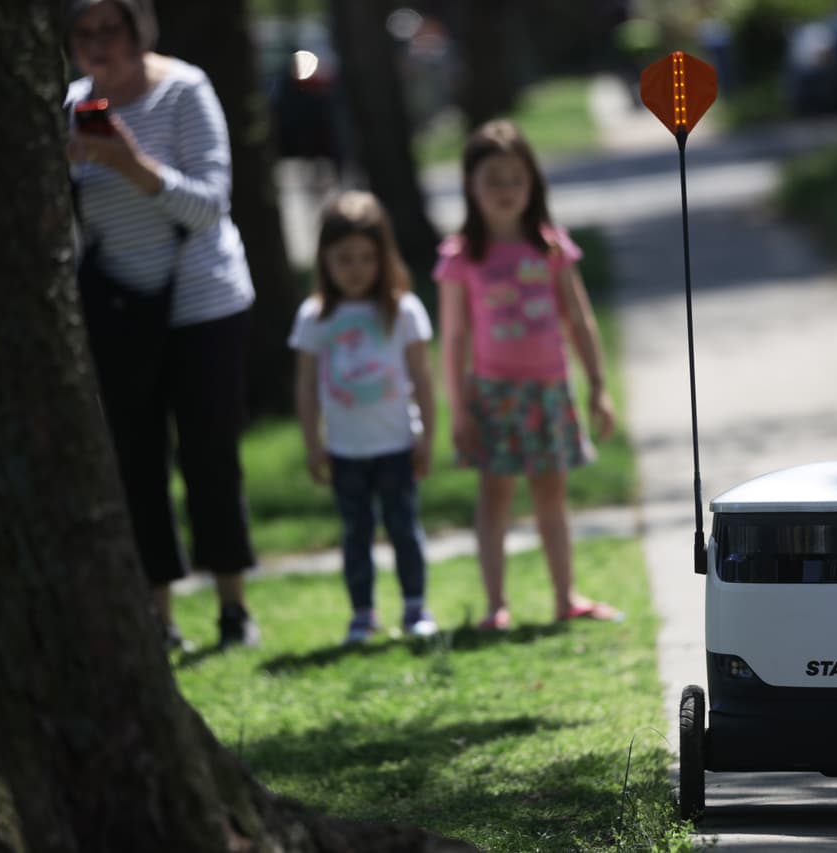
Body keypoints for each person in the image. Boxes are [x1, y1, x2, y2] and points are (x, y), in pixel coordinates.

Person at [63, 0, 259, 650]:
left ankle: (233, 609)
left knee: (209, 455)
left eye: (109, 30)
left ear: (138, 29)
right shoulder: (68, 106)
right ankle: (161, 618)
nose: (98, 46)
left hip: (203, 302)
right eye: (84, 34)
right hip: (120, 311)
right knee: (137, 461)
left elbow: (209, 205)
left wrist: (132, 165)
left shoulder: (185, 90)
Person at [434, 119, 621, 631]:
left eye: (516, 179)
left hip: (549, 389)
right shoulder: (461, 256)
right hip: (492, 394)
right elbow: (453, 338)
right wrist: (458, 405)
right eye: (492, 179)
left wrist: (599, 386)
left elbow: (579, 317)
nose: (505, 191)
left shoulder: (551, 246)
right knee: (494, 495)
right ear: (470, 184)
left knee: (550, 493)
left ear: (533, 184)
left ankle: (566, 596)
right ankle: (496, 607)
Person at [289, 192, 439, 645]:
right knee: (356, 535)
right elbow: (306, 387)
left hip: (395, 445)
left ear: (384, 257)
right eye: (343, 258)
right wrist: (313, 444)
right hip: (345, 450)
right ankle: (362, 614)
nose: (355, 268)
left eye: (366, 258)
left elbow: (422, 378)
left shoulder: (403, 310)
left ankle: (415, 606)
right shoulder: (315, 317)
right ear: (324, 260)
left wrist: (428, 436)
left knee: (403, 529)